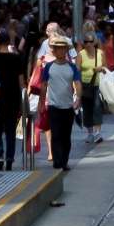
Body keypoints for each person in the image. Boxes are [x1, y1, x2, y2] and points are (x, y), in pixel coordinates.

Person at [0, 32, 28, 171]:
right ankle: (10, 158)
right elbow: (21, 81)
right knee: (11, 131)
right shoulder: (16, 59)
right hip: (13, 98)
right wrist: (24, 99)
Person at [43, 34, 82, 172]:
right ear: (53, 51)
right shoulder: (48, 67)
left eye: (62, 48)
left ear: (66, 50)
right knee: (56, 135)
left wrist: (78, 99)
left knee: (66, 136)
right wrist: (42, 102)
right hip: (53, 106)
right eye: (57, 48)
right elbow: (44, 85)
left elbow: (77, 83)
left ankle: (64, 161)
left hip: (68, 107)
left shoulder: (72, 68)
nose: (60, 51)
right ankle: (57, 160)